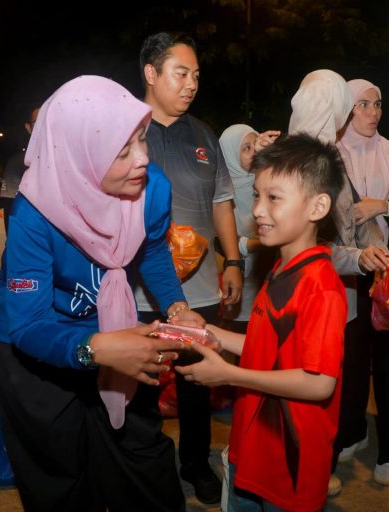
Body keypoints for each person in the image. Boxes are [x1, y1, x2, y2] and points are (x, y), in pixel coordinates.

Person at [0, 75, 205, 512]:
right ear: (79, 157)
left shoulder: (152, 189)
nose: (143, 159)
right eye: (122, 150)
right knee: (62, 479)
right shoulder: (35, 211)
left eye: (143, 140)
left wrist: (177, 306)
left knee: (143, 461)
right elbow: (27, 324)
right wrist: (96, 349)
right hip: (41, 355)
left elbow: (151, 250)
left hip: (115, 333)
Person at [177, 134, 348, 512]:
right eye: (256, 195)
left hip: (290, 467)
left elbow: (319, 383)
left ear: (318, 206)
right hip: (252, 453)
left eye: (274, 197)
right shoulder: (282, 269)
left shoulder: (320, 287)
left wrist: (229, 375)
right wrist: (208, 332)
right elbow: (265, 345)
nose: (257, 210)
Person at [134, 31, 243, 504]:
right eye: (182, 73)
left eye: (196, 75)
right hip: (136, 290)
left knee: (197, 383)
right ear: (151, 74)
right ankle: (143, 465)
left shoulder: (203, 135)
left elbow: (222, 203)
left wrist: (233, 260)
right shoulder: (127, 133)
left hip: (198, 289)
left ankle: (195, 463)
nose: (192, 83)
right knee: (137, 386)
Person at [288, 68, 389, 495]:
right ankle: (301, 475)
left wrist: (370, 247)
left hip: (336, 294)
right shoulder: (306, 164)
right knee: (309, 389)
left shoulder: (324, 159)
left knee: (324, 388)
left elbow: (346, 222)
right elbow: (310, 246)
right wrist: (359, 257)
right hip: (314, 294)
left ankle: (313, 468)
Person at [334, 78, 389, 485]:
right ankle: (351, 431)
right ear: (346, 110)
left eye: (378, 104)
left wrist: (379, 207)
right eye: (362, 105)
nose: (372, 112)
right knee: (349, 364)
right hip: (348, 276)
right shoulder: (332, 156)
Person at [218, 124, 280, 333]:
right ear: (230, 155)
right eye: (246, 148)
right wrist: (260, 242)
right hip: (243, 284)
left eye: (255, 144)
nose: (254, 151)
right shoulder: (222, 191)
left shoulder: (265, 181)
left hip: (271, 278)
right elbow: (223, 240)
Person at [0, 105, 39, 230]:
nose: (43, 126)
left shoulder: (70, 158)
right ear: (28, 128)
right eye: (37, 122)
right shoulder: (16, 162)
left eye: (47, 120)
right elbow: (10, 206)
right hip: (30, 233)